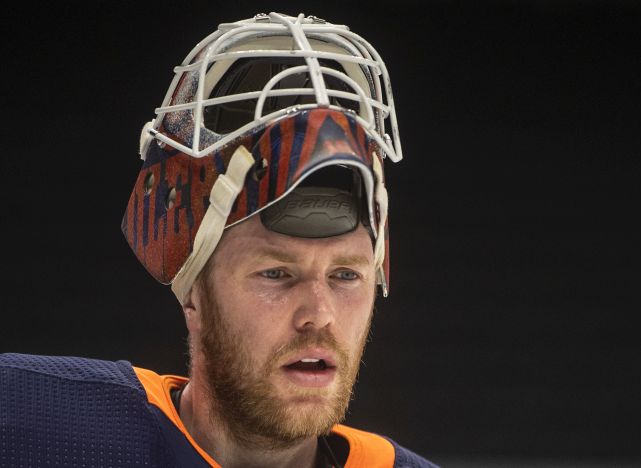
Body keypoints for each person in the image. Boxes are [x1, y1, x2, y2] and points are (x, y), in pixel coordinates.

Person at [0, 12, 437, 468]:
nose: (319, 315)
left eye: (346, 274)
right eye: (276, 273)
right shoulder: (36, 425)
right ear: (193, 289)